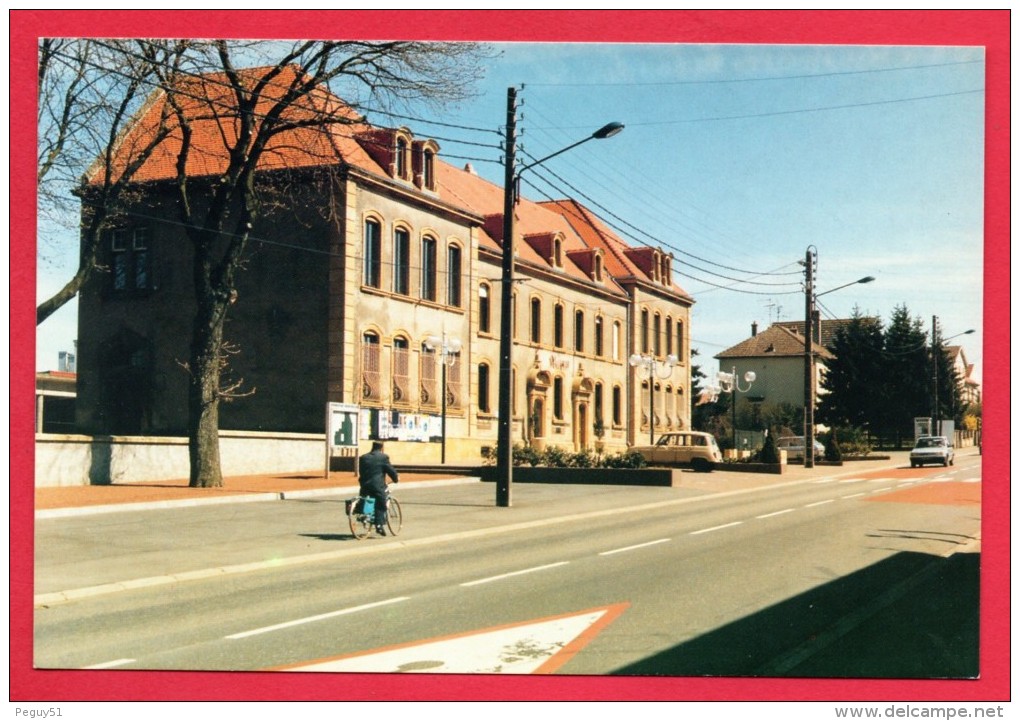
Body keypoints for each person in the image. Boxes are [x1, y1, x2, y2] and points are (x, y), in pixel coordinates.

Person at [358, 441, 399, 535]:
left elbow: (362, 471)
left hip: (364, 485)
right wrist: (396, 478)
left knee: (366, 499)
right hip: (377, 485)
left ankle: (365, 516)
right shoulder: (383, 457)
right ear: (381, 448)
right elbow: (390, 470)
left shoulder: (364, 457)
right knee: (381, 503)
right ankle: (379, 525)